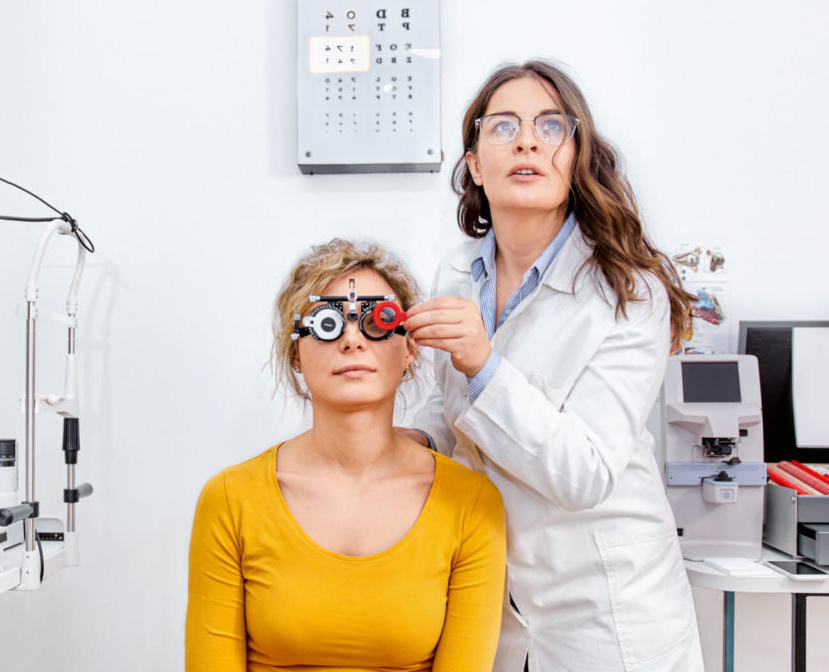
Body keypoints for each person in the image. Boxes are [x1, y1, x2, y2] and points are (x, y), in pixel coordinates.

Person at [403, 61, 704, 671]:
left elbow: (584, 471)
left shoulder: (628, 291)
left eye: (550, 126)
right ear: (474, 164)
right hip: (499, 605)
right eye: (503, 125)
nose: (527, 140)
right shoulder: (456, 274)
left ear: (575, 158)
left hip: (609, 614)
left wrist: (483, 362)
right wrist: (408, 440)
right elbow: (451, 403)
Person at [186, 239, 507, 671]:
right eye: (326, 323)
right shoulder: (230, 500)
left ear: (411, 349)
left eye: (377, 320)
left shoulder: (470, 504)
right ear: (295, 352)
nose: (353, 340)